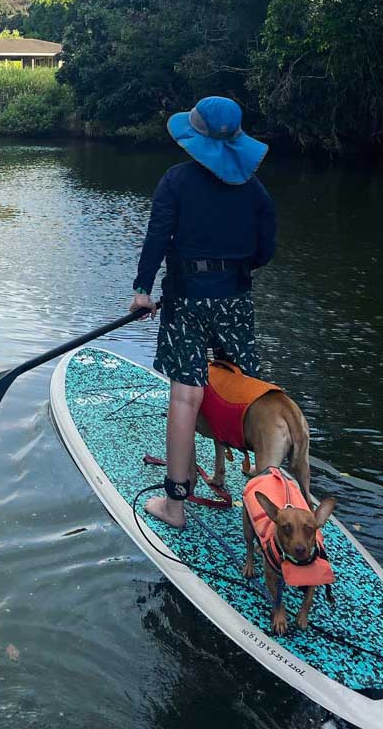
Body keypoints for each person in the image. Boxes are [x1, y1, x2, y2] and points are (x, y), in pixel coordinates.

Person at [129, 96, 276, 529]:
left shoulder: (176, 181)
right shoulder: (256, 190)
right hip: (234, 298)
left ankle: (175, 505)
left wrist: (143, 291)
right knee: (239, 390)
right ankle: (259, 498)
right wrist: (232, 270)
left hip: (186, 296)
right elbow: (265, 251)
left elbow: (157, 240)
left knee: (185, 395)